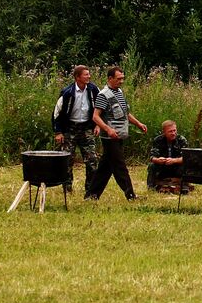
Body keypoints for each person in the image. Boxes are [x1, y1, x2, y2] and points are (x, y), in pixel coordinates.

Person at [84, 66, 148, 201]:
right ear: (110, 78)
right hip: (109, 137)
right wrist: (107, 129)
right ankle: (131, 195)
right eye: (119, 79)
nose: (121, 81)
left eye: (122, 78)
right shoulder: (103, 95)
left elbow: (126, 114)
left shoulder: (119, 92)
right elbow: (95, 116)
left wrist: (138, 123)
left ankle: (91, 195)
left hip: (119, 135)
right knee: (120, 167)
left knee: (105, 168)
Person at [51, 65, 100, 195]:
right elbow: (56, 113)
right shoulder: (67, 92)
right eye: (86, 75)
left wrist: (98, 125)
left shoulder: (93, 90)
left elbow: (100, 108)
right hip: (69, 128)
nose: (89, 76)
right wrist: (58, 132)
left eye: (89, 74)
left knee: (92, 160)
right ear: (77, 77)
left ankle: (90, 189)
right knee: (67, 160)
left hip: (86, 127)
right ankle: (67, 189)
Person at [147, 120, 189, 193]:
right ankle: (151, 187)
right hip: (163, 167)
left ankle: (184, 187)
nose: (173, 133)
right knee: (152, 166)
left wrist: (174, 160)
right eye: (170, 131)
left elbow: (187, 158)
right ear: (164, 132)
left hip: (176, 167)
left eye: (174, 130)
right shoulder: (158, 140)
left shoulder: (181, 140)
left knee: (186, 165)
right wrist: (158, 160)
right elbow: (151, 157)